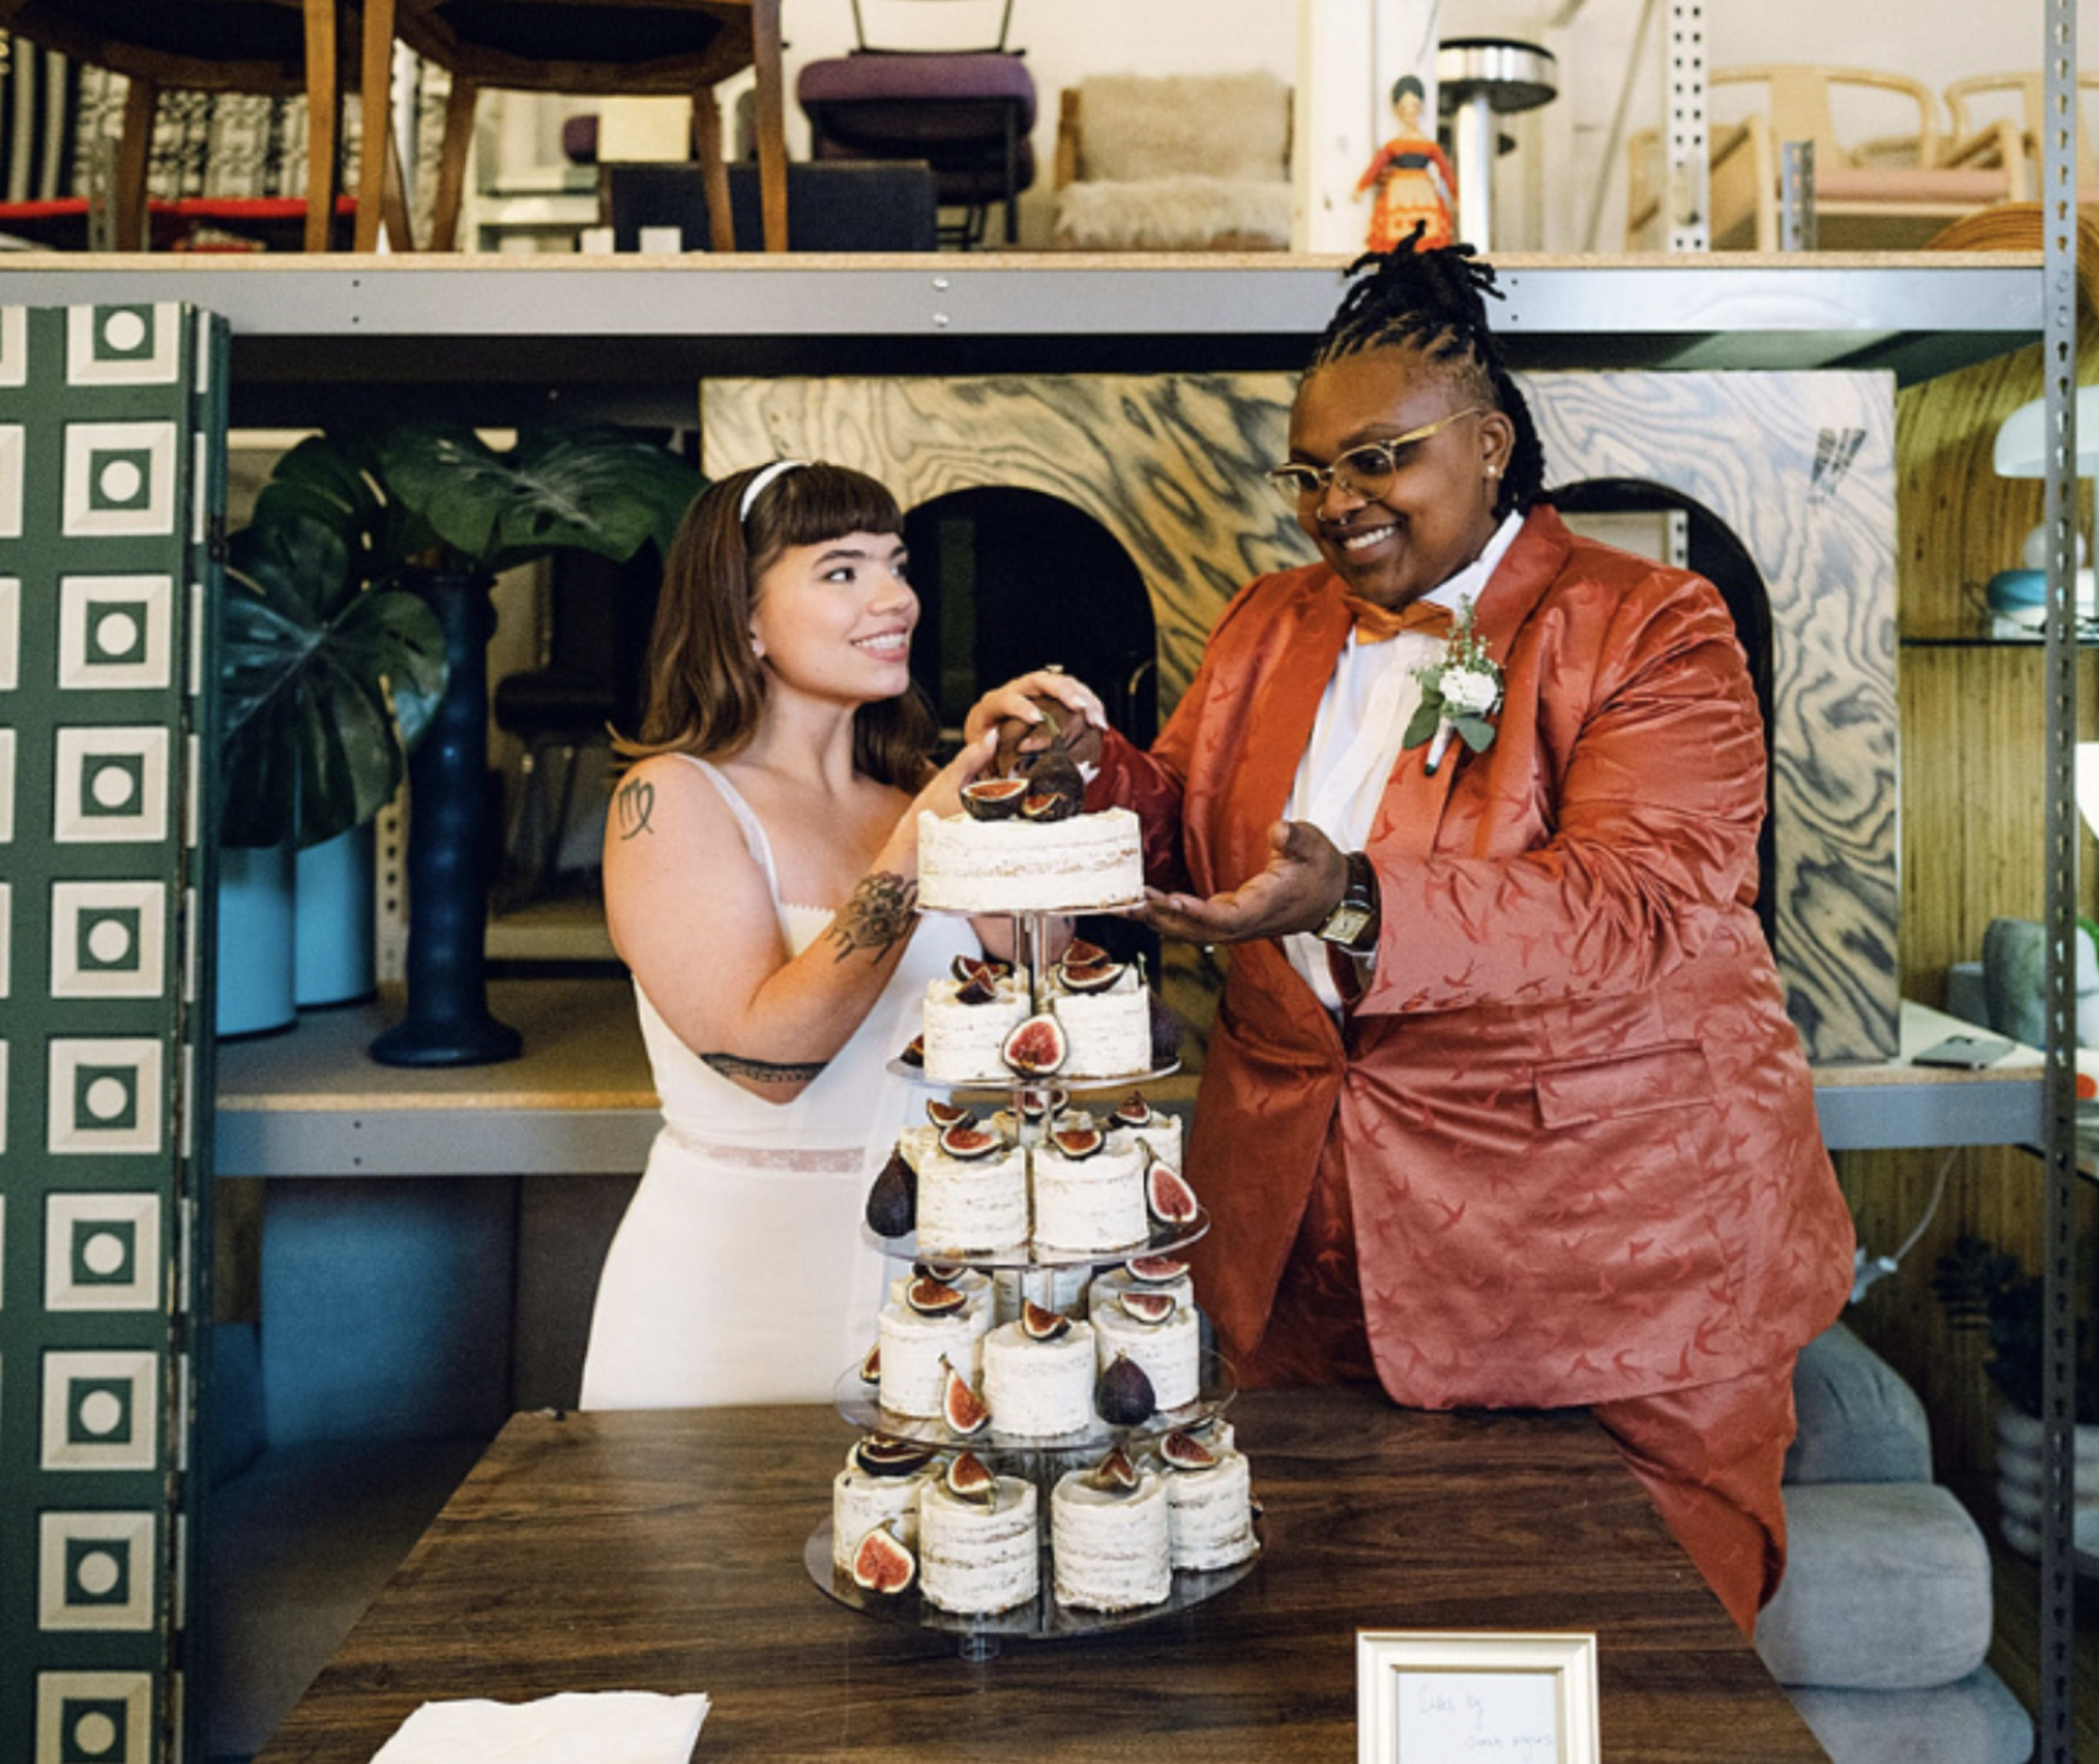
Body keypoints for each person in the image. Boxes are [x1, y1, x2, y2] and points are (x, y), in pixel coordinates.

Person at [967, 239, 1855, 1634]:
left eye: (1378, 460)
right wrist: (1087, 772)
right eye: (1308, 474)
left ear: (1491, 444)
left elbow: (1643, 904)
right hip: (1300, 1264)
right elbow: (1194, 832)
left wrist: (1355, 899)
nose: (1335, 504)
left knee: (1641, 1682)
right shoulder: (1270, 624)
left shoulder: (1648, 624)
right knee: (1332, 1675)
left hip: (1613, 1270)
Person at [580, 460, 1001, 1410]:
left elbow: (1039, 1010)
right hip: (727, 1305)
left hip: (933, 1299)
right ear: (744, 617)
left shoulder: (912, 801)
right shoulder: (674, 796)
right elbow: (769, 1063)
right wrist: (922, 848)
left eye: (896, 564)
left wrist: (1031, 785)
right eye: (842, 570)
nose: (896, 597)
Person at [1352, 75, 1458, 254]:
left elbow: (1446, 171)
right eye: (1405, 107)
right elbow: (1376, 168)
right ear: (1398, 110)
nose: (1410, 112)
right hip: (1399, 193)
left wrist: (1456, 195)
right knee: (1397, 235)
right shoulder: (1393, 146)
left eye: (1414, 106)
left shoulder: (1429, 146)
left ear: (1421, 108)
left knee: (1426, 236)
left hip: (1423, 193)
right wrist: (1361, 187)